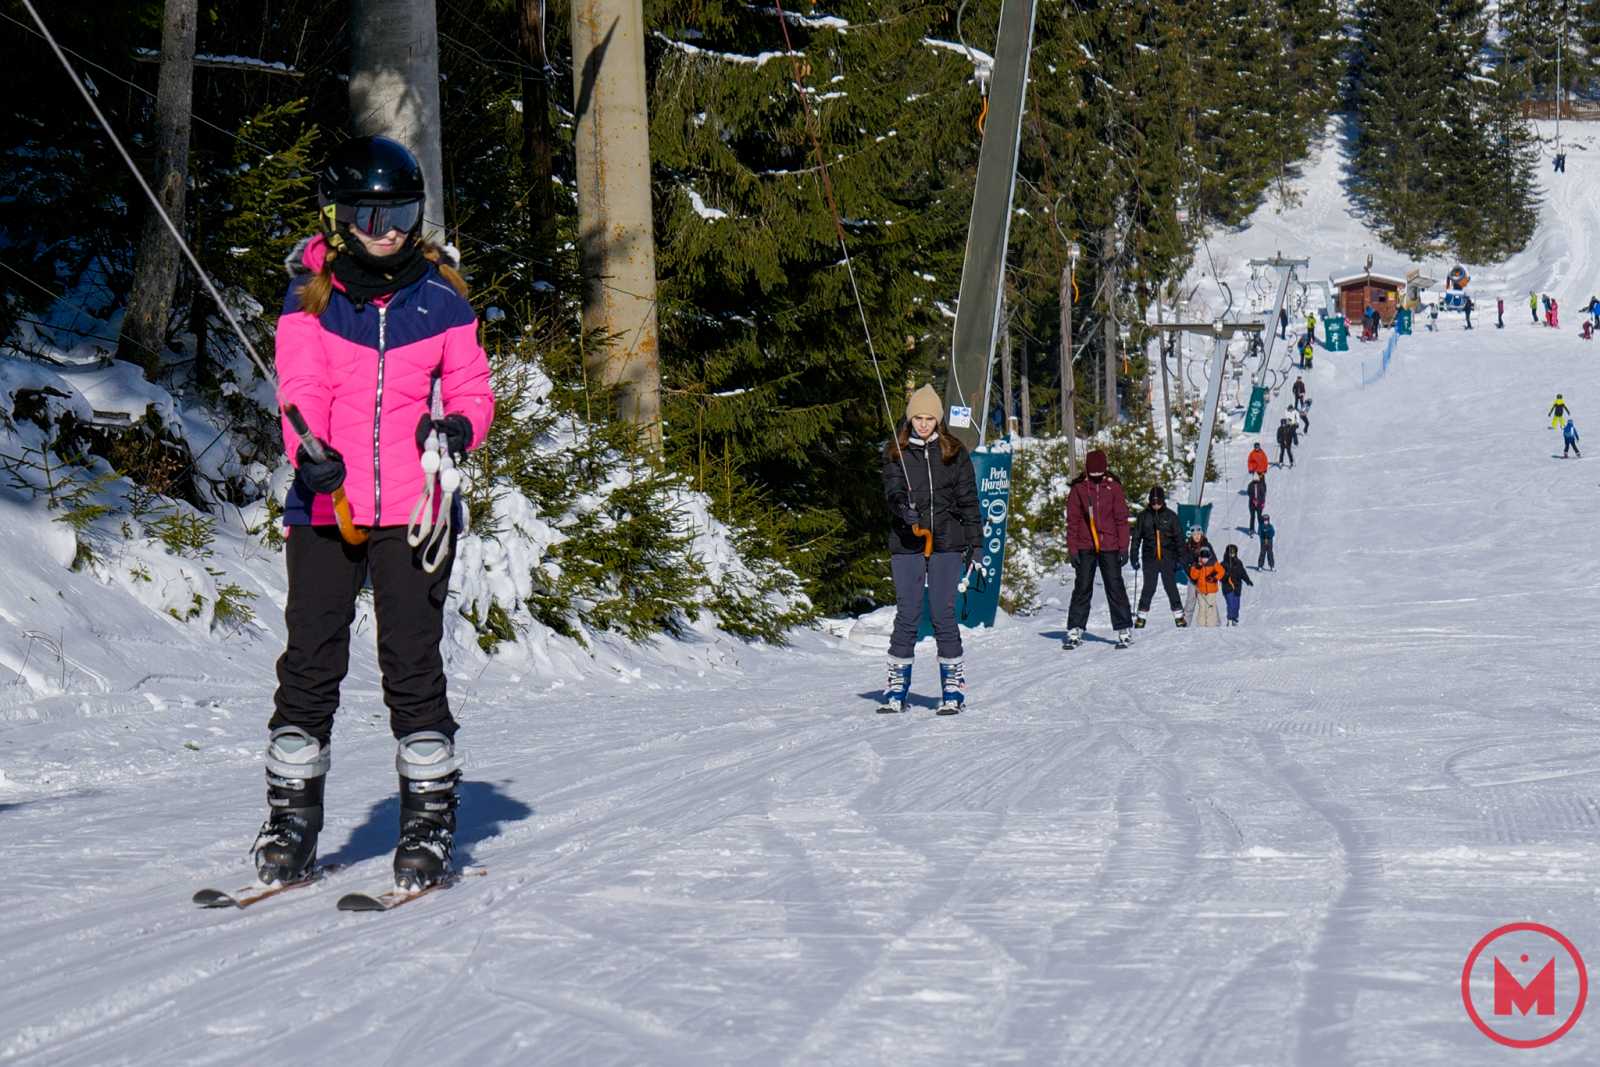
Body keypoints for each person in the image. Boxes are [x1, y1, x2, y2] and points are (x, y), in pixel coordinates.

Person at [256, 136, 496, 892]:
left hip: (416, 507)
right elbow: (300, 387)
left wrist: (458, 427)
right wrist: (310, 451)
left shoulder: (441, 297)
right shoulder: (311, 295)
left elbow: (472, 389)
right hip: (326, 503)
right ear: (337, 216)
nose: (383, 229)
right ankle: (292, 819)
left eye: (397, 213)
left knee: (412, 663)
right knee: (311, 660)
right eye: (365, 213)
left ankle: (427, 819)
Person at [879, 385, 982, 715]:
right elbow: (892, 489)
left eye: (929, 418)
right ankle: (897, 688)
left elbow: (968, 500)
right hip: (908, 541)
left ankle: (953, 688)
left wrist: (976, 544)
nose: (923, 424)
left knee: (942, 612)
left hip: (947, 542)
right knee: (908, 612)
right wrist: (902, 509)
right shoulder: (896, 451)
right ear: (910, 419)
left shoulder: (954, 452)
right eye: (918, 418)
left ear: (938, 420)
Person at [1063, 448, 1133, 650]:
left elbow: (1121, 519)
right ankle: (1075, 628)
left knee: (1115, 586)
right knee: (1082, 586)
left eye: (1099, 475)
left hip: (1109, 545)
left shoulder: (1113, 488)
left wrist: (1123, 547)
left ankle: (1124, 628)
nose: (1096, 478)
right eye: (1093, 475)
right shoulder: (1079, 489)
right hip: (1085, 545)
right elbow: (1073, 521)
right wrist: (1073, 549)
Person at [1130, 484, 1186, 629]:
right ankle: (1141, 617)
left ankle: (1179, 617)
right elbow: (1136, 538)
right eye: (1153, 502)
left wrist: (1181, 558)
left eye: (1158, 502)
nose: (1156, 505)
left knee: (1170, 587)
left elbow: (1179, 539)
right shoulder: (1143, 516)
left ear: (1162, 501)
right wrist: (1133, 556)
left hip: (1168, 557)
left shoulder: (1171, 516)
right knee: (1149, 587)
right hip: (1150, 558)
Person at [1188, 547, 1225, 627]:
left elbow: (1222, 571)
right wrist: (1198, 567)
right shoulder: (1196, 564)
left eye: (1206, 557)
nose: (1204, 559)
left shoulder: (1213, 563)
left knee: (1210, 607)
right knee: (1202, 608)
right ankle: (1201, 625)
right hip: (1201, 591)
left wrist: (1214, 577)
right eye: (1203, 556)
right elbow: (1193, 576)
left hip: (1211, 590)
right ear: (1200, 556)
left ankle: (1211, 625)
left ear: (1209, 555)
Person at [1221, 544, 1253, 626]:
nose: (1232, 554)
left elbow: (1243, 573)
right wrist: (1225, 575)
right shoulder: (1223, 564)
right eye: (1230, 552)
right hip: (1228, 586)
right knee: (1231, 603)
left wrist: (1247, 580)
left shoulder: (1238, 563)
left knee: (1236, 604)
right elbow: (1219, 576)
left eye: (1233, 552)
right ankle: (1230, 618)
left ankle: (1235, 618)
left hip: (1237, 587)